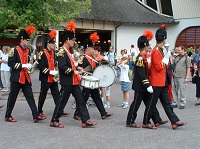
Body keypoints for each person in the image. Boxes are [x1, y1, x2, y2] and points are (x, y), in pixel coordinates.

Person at [50, 21, 96, 128]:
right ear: (67, 40)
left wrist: (77, 68)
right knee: (62, 102)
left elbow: (69, 64)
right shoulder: (62, 51)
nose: (73, 42)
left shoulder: (68, 51)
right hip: (67, 81)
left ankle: (85, 120)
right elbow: (62, 67)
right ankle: (54, 120)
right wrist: (73, 71)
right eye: (72, 40)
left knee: (80, 101)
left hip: (74, 81)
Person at [144, 24, 187, 129]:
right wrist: (167, 58)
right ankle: (146, 121)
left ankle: (174, 121)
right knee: (151, 104)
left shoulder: (159, 50)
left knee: (167, 103)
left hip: (162, 81)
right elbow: (158, 67)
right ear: (164, 39)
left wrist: (167, 59)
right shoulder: (155, 51)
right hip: (156, 82)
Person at [126, 30, 168, 129]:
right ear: (145, 46)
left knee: (150, 103)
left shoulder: (144, 56)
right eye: (148, 45)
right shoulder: (140, 58)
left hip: (144, 85)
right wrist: (147, 85)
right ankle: (130, 121)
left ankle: (156, 119)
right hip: (140, 85)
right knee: (136, 104)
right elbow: (141, 74)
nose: (149, 47)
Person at [5, 25, 46, 123]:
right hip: (16, 78)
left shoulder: (28, 51)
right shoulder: (14, 50)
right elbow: (10, 63)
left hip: (26, 78)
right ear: (22, 39)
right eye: (27, 40)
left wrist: (31, 65)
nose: (28, 42)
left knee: (30, 97)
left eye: (29, 40)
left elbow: (29, 62)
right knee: (12, 98)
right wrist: (23, 66)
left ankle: (35, 115)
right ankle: (7, 115)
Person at [74, 32, 112, 120]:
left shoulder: (93, 58)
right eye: (92, 48)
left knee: (97, 97)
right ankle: (77, 113)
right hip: (87, 81)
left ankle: (103, 113)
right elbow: (79, 68)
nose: (93, 49)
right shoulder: (83, 57)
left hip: (93, 81)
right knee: (84, 98)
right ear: (87, 48)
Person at [37, 30, 70, 119]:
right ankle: (39, 111)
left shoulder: (54, 53)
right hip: (45, 78)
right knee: (43, 95)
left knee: (57, 95)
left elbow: (55, 63)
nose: (54, 45)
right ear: (48, 44)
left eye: (54, 43)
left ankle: (60, 110)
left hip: (53, 78)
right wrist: (50, 72)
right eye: (52, 43)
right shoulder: (42, 53)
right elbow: (41, 67)